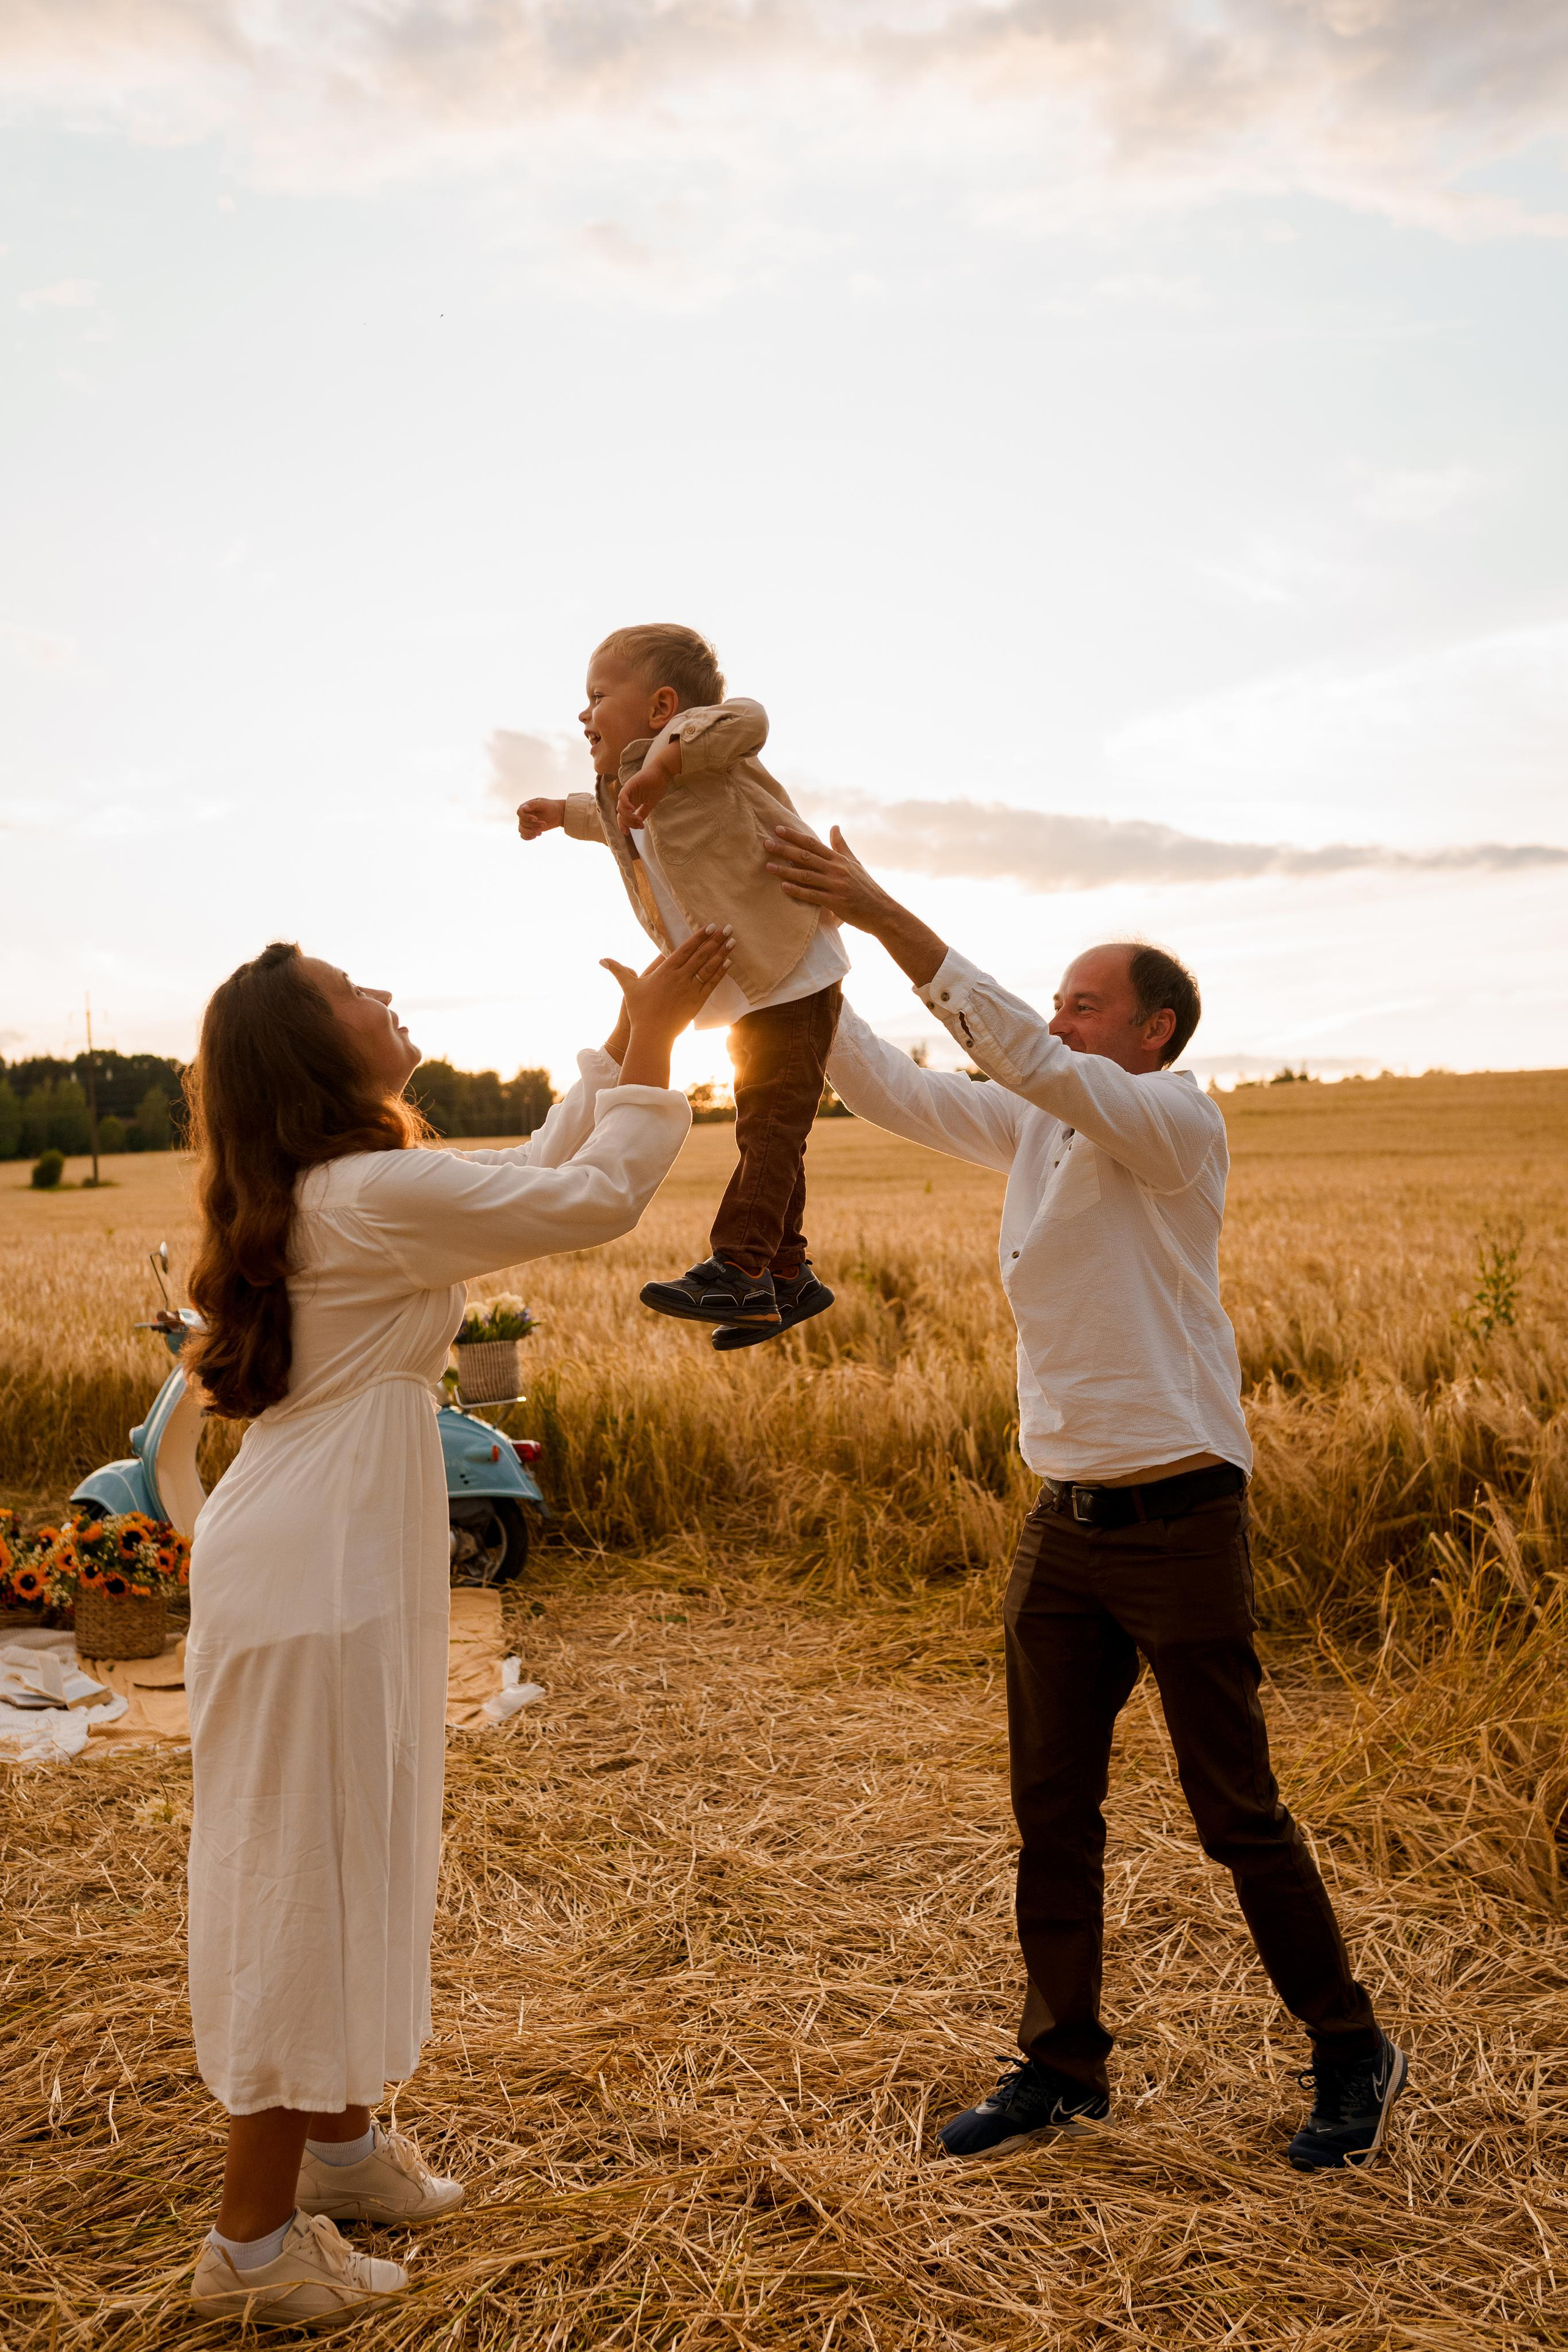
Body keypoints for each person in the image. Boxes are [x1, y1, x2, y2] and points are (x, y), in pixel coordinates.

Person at [763, 820, 1408, 2175]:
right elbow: (876, 1077)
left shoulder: (1173, 1123)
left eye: (1083, 999)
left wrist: (883, 911)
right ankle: (1060, 2070)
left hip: (1180, 1518)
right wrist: (777, 952)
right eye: (1054, 996)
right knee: (1048, 1810)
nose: (1057, 1015)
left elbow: (1020, 1055)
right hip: (1059, 1529)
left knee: (1234, 1810)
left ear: (1154, 1031)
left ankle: (1349, 2050)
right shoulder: (1036, 1129)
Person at [181, 925, 730, 2324]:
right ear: (315, 1050)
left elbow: (527, 1178)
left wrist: (616, 1053)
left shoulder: (347, 1189)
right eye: (347, 994)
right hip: (318, 1563)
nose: (379, 994)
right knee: (309, 1867)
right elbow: (590, 1195)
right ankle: (251, 2246)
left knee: (359, 1833)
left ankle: (344, 2150)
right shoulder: (361, 1193)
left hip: (325, 1539)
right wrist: (658, 1049)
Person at [517, 623, 848, 1350]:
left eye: (598, 695)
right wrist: (557, 811)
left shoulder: (702, 750)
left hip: (791, 966)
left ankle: (737, 1265)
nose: (583, 714)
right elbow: (611, 822)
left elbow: (748, 717)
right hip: (752, 983)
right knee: (768, 1129)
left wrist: (664, 765)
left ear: (664, 706)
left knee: (769, 1132)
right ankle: (784, 1280)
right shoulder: (624, 792)